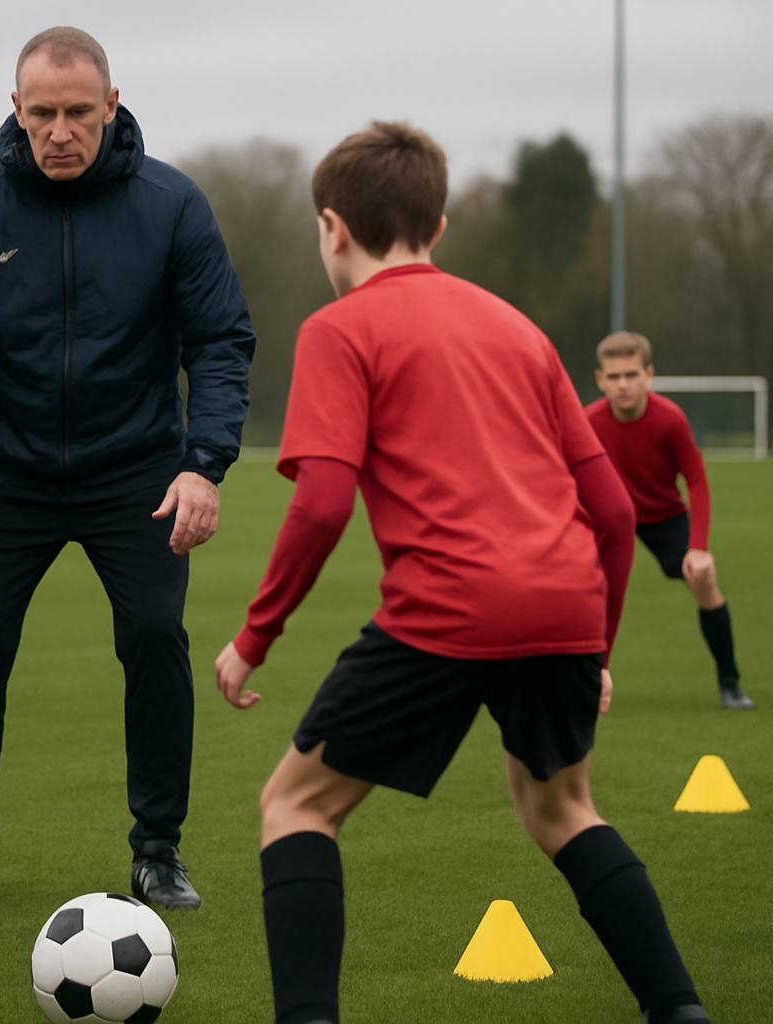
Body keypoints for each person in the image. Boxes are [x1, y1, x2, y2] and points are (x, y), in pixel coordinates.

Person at [214, 123, 711, 1024]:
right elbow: (610, 512)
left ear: (332, 226)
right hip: (563, 605)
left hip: (446, 609)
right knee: (563, 810)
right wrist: (596, 648)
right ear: (437, 226)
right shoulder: (520, 329)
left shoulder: (338, 330)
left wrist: (254, 639)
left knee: (295, 806)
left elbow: (323, 504)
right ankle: (680, 1011)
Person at [0, 26, 255, 910]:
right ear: (15, 110)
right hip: (1, 470)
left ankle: (159, 852)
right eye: (42, 112)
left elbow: (220, 342)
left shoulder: (172, 205)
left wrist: (203, 464)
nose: (60, 130)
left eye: (78, 112)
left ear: (112, 106)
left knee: (156, 642)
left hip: (137, 472)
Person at [587, 332, 752, 709]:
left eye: (631, 374)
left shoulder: (669, 419)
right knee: (583, 593)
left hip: (664, 517)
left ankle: (730, 684)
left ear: (649, 374)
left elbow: (696, 480)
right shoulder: (588, 421)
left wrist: (698, 548)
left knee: (705, 579)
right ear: (600, 379)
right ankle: (594, 681)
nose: (623, 384)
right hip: (613, 519)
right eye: (614, 377)